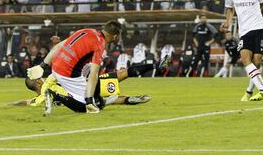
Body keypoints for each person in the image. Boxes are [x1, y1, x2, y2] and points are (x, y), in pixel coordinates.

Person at [27, 20, 168, 114]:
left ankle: (154, 66)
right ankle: (54, 93)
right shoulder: (99, 44)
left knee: (115, 78)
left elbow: (58, 46)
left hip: (58, 67)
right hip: (69, 74)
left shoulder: (86, 31)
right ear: (115, 36)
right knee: (89, 106)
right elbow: (93, 74)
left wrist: (43, 65)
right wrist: (89, 101)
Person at [221, 0, 263, 101]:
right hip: (244, 30)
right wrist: (227, 22)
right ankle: (261, 90)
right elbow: (230, 9)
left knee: (257, 61)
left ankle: (251, 91)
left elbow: (262, 5)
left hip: (259, 27)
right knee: (245, 59)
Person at [11, 69, 151, 108]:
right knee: (117, 76)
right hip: (86, 85)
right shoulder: (49, 82)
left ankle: (128, 99)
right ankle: (149, 67)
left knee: (107, 100)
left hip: (79, 98)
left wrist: (12, 104)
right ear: (37, 82)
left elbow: (28, 102)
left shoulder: (41, 98)